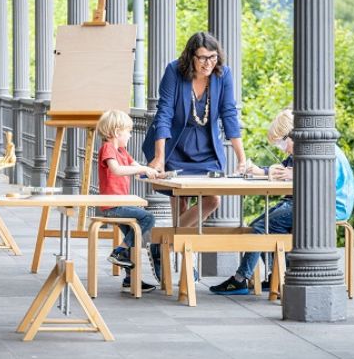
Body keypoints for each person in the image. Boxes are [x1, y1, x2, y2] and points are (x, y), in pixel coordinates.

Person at [209, 108, 354, 295]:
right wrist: (259, 171)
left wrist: (294, 175)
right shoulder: (303, 150)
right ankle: (276, 277)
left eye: (281, 142)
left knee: (261, 228)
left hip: (324, 207)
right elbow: (284, 169)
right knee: (259, 225)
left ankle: (240, 279)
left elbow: (319, 181)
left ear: (292, 135)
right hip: (307, 203)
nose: (282, 148)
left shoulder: (318, 150)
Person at [142, 32, 248, 280]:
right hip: (174, 146)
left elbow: (229, 115)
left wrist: (242, 158)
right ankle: (183, 265)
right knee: (179, 202)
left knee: (212, 200)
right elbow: (164, 113)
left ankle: (163, 241)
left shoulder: (223, 75)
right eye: (202, 58)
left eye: (212, 57)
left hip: (206, 149)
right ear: (191, 57)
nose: (208, 63)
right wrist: (159, 157)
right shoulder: (173, 72)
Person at [97, 110, 162, 292]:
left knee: (133, 239)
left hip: (122, 204)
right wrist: (140, 169)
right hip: (113, 205)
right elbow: (117, 170)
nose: (131, 135)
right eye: (128, 131)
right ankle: (118, 251)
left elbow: (137, 169)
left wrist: (154, 173)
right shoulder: (108, 148)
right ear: (117, 132)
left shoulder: (122, 151)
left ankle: (129, 280)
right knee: (148, 219)